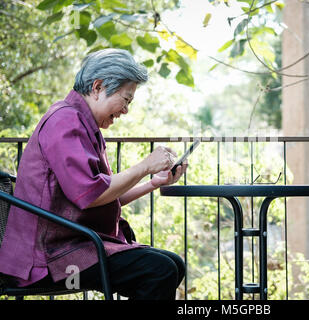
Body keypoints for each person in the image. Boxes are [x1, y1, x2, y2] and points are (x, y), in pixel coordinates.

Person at [0, 48, 187, 300]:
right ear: (98, 87)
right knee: (159, 270)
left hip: (73, 246)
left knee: (173, 264)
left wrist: (153, 182)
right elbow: (89, 195)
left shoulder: (83, 123)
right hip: (47, 260)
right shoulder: (64, 121)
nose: (126, 110)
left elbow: (103, 195)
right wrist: (144, 165)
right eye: (126, 100)